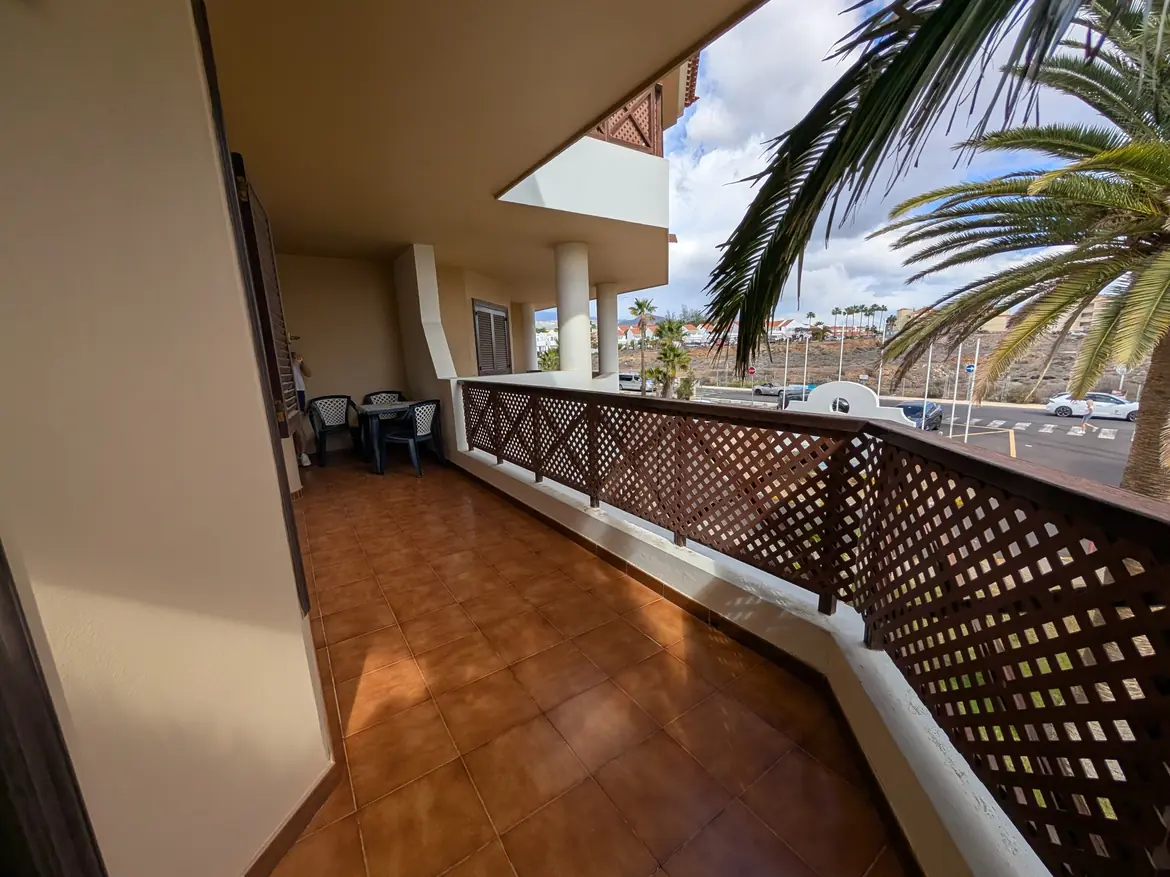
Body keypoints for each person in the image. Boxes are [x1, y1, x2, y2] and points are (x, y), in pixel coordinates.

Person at [290, 347, 312, 466]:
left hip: (299, 393)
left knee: (298, 424)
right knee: (290, 425)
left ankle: (303, 455)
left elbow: (309, 374)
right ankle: (296, 456)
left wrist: (301, 362)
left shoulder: (296, 358)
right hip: (285, 392)